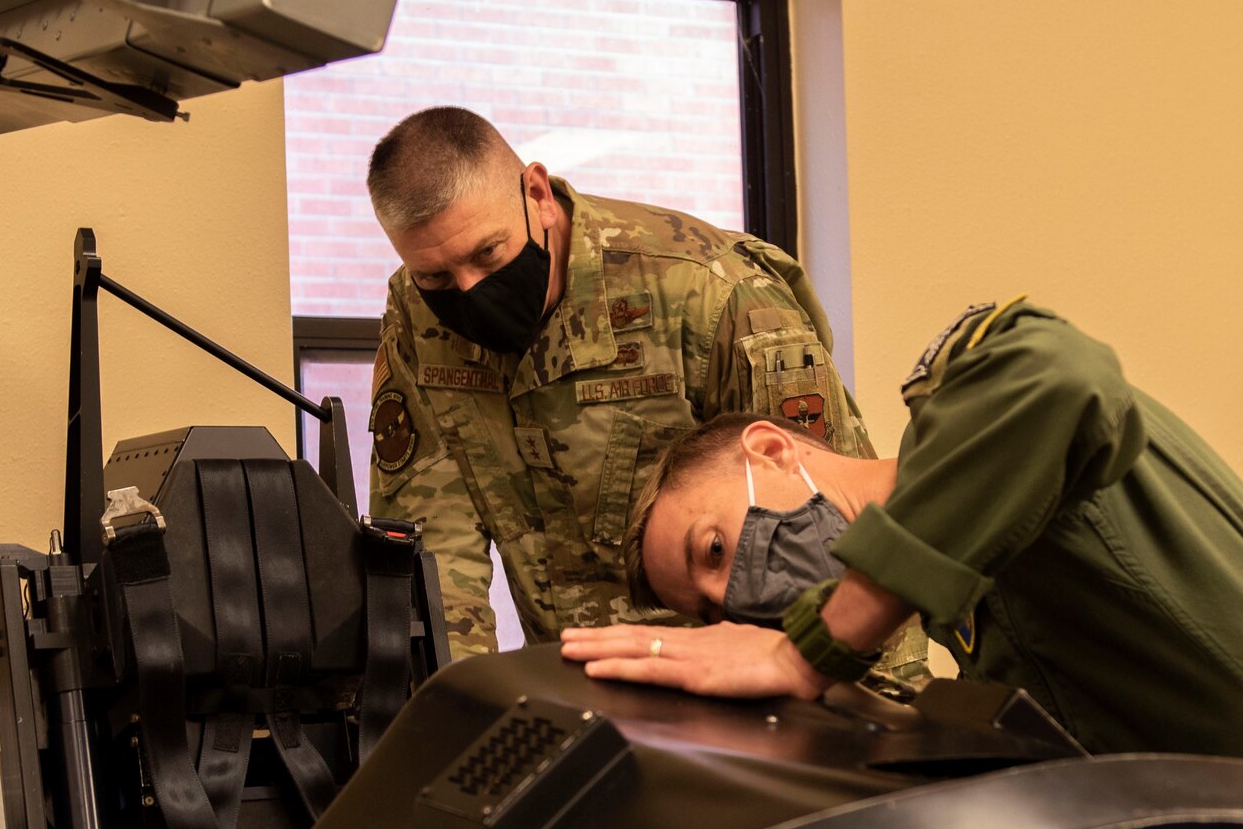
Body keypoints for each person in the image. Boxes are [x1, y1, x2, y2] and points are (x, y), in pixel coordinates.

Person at [364, 106, 923, 673]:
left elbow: (843, 525)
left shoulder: (706, 291)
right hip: (583, 690)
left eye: (488, 253)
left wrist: (866, 717)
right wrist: (450, 714)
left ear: (537, 194)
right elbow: (431, 550)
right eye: (436, 277)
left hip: (753, 681)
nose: (468, 288)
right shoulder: (417, 318)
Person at [559, 297, 1243, 756]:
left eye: (714, 548)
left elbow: (1062, 378)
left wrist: (806, 651)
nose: (738, 599)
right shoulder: (971, 623)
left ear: (771, 449)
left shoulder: (967, 402)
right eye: (714, 610)